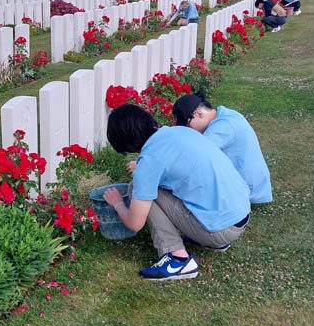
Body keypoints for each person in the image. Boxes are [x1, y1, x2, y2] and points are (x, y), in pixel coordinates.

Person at [103, 104, 251, 281]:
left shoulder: (149, 161)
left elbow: (135, 224)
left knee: (138, 189)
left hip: (221, 229)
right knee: (150, 188)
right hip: (240, 214)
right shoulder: (178, 132)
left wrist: (118, 204)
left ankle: (177, 259)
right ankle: (211, 240)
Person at [173, 92, 272, 204]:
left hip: (248, 191)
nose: (189, 131)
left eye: (188, 126)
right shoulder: (224, 115)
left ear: (198, 114)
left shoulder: (224, 126)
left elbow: (195, 155)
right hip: (248, 184)